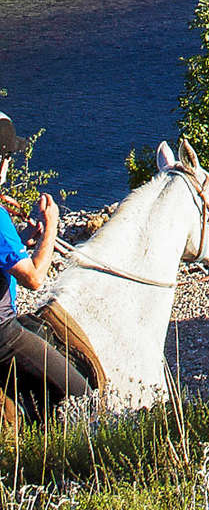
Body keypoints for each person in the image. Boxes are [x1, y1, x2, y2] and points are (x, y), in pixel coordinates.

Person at [0, 112, 92, 420]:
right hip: (2, 333)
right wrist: (51, 226)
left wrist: (27, 239)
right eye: (9, 157)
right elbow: (35, 278)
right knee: (80, 393)